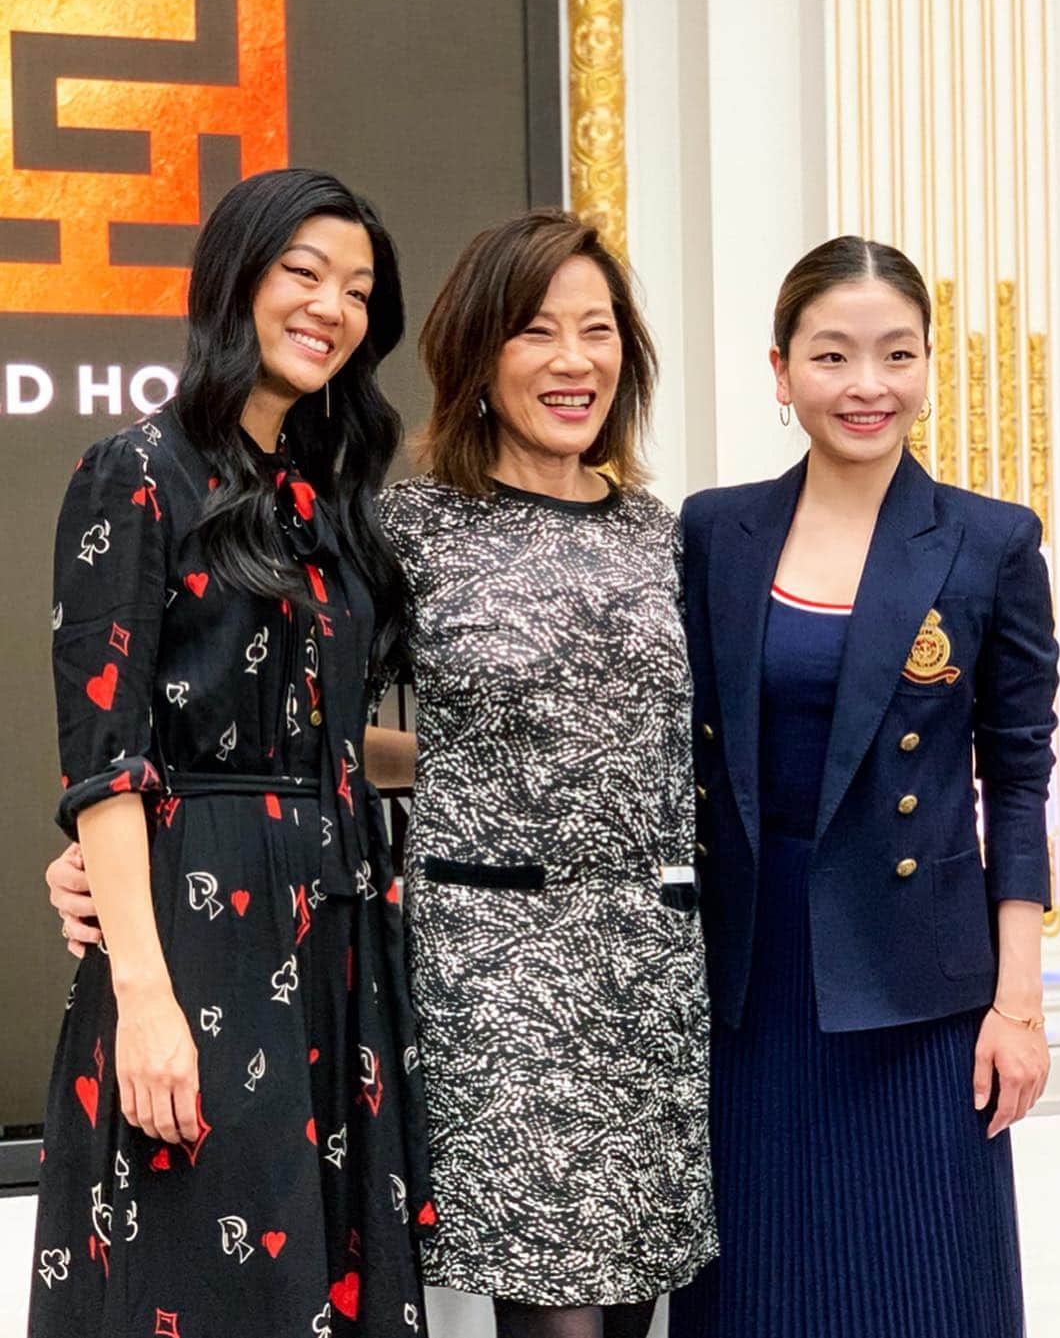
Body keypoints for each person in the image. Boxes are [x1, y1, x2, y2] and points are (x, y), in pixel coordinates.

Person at [31, 168, 433, 1338]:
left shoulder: (324, 501)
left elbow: (328, 729)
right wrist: (145, 999)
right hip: (200, 944)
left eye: (357, 289)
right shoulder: (135, 471)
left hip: (335, 927)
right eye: (304, 273)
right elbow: (105, 756)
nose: (331, 307)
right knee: (206, 1284)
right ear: (236, 280)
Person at [669, 235, 1058, 1338]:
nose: (866, 384)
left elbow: (1017, 779)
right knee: (758, 1292)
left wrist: (1018, 1007)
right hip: (749, 975)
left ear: (929, 364)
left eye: (897, 353)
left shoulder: (988, 541)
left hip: (921, 988)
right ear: (781, 368)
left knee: (923, 1290)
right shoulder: (717, 530)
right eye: (832, 354)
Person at [372, 209, 717, 1338]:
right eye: (536, 330)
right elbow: (319, 730)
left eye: (598, 329)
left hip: (651, 963)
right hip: (499, 966)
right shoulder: (412, 529)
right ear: (477, 353)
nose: (575, 360)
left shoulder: (658, 533)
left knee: (633, 1312)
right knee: (556, 1314)